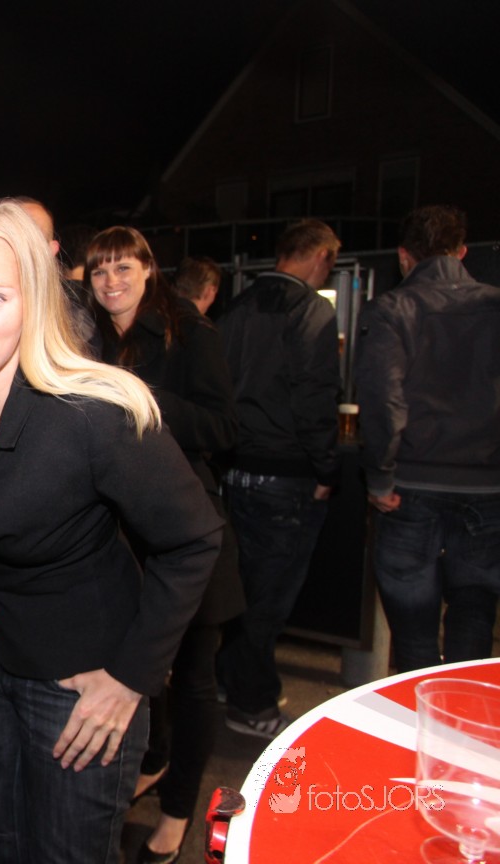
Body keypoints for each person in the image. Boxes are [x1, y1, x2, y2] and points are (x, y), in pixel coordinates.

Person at [0, 200, 221, 863]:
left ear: (35, 303)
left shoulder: (92, 412)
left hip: (80, 677)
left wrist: (133, 676)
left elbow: (194, 538)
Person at [86, 226, 239, 863]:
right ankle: (151, 761)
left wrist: (149, 398)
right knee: (138, 666)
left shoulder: (189, 334)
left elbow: (225, 428)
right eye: (100, 270)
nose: (111, 281)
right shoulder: (88, 337)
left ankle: (178, 811)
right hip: (116, 528)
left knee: (194, 678)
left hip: (183, 524)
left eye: (124, 267)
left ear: (150, 270)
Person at [354, 205, 500, 671]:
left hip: (411, 485)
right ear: (462, 252)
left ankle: (420, 707)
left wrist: (380, 477)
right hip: (488, 486)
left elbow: (382, 399)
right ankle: (458, 708)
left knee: (413, 627)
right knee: (474, 611)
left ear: (404, 256)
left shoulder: (394, 309)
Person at [216, 218, 341, 739]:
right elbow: (315, 399)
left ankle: (231, 681)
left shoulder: (236, 306)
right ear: (321, 257)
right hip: (285, 473)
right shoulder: (312, 311)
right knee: (268, 598)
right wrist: (326, 466)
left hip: (235, 469)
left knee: (238, 589)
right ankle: (251, 704)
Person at [12, 197, 99, 358]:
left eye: (34, 235)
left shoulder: (72, 318)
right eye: (14, 231)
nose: (22, 244)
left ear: (51, 249)